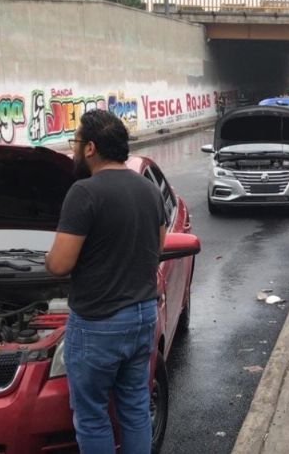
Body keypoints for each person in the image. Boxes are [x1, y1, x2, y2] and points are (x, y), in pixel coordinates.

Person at [45, 110, 168, 454]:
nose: (74, 150)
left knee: (92, 415)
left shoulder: (83, 193)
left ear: (90, 148)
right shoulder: (148, 190)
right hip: (143, 315)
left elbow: (60, 264)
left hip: (98, 322)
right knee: (134, 407)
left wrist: (45, 259)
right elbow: (158, 246)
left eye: (76, 142)